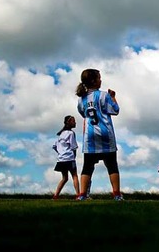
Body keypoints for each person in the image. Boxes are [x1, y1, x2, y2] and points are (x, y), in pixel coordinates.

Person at [75, 68, 123, 201]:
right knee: (112, 165)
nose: (101, 80)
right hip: (105, 134)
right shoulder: (103, 95)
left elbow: (83, 114)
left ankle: (82, 195)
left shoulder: (81, 100)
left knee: (87, 167)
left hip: (90, 137)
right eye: (99, 78)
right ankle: (117, 194)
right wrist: (113, 97)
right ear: (93, 81)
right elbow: (115, 110)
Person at [52, 115, 80, 200]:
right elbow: (74, 147)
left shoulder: (61, 134)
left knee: (64, 178)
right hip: (69, 158)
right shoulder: (71, 133)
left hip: (61, 160)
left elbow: (54, 146)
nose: (75, 122)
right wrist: (73, 156)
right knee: (74, 176)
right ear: (69, 123)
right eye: (73, 121)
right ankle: (78, 195)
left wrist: (61, 153)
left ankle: (55, 195)